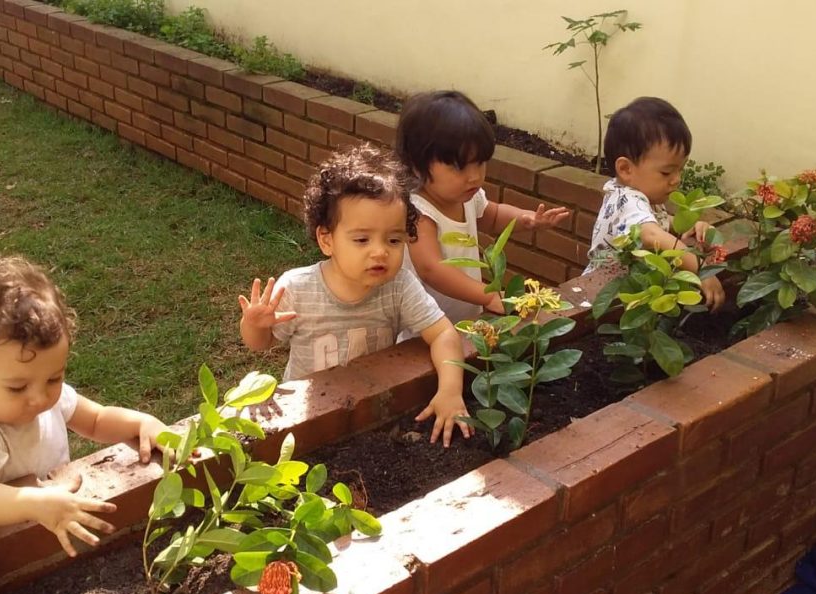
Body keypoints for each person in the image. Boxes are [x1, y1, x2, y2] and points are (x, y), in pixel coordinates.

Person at [0, 256, 169, 556]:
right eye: (17, 387)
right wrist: (37, 504)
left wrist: (141, 423)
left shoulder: (40, 395)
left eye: (54, 378)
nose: (40, 398)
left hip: (47, 528)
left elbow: (96, 420)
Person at [238, 144, 471, 447]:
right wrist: (256, 324)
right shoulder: (298, 288)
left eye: (394, 239)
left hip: (373, 412)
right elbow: (260, 344)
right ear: (327, 240)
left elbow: (443, 334)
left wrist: (450, 390)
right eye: (362, 239)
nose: (380, 251)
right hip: (309, 419)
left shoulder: (398, 285)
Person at [395, 90, 571, 325]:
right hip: (425, 330)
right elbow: (431, 269)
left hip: (466, 320)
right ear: (417, 165)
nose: (474, 177)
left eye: (480, 163)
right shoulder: (419, 212)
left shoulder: (467, 197)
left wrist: (528, 219)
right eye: (460, 167)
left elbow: (494, 215)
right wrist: (487, 295)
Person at [583, 96, 725, 310]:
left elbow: (656, 223)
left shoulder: (637, 196)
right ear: (626, 169)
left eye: (681, 169)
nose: (676, 179)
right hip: (603, 300)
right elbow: (651, 235)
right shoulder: (629, 201)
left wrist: (690, 227)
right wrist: (700, 269)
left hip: (625, 298)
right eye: (667, 171)